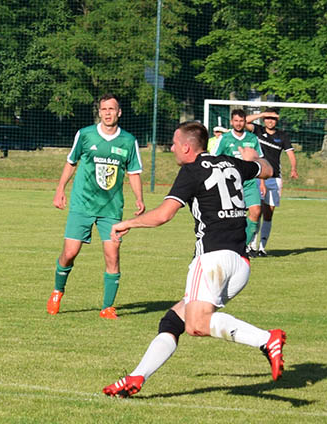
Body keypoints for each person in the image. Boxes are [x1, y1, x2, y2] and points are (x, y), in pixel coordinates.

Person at [103, 121, 285, 398]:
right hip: (240, 263)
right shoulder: (231, 162)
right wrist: (253, 159)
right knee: (173, 321)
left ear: (187, 147)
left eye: (175, 143)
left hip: (212, 260)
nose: (172, 148)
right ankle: (136, 377)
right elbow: (270, 168)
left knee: (197, 325)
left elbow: (164, 214)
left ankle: (266, 339)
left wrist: (127, 223)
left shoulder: (191, 171)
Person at [47, 93, 145, 319]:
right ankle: (57, 290)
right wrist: (60, 189)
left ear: (119, 112)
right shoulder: (85, 135)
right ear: (99, 112)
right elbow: (71, 163)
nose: (108, 113)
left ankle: (107, 307)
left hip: (111, 209)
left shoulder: (128, 141)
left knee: (113, 254)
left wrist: (139, 198)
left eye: (112, 109)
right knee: (70, 253)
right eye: (104, 109)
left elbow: (134, 172)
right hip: (82, 204)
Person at [245, 108, 298, 256]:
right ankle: (251, 246)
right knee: (256, 211)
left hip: (274, 179)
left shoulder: (282, 136)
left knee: (268, 214)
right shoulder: (258, 130)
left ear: (277, 121)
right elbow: (244, 122)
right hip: (257, 176)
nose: (270, 121)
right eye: (267, 118)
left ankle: (262, 248)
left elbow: (290, 153)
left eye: (273, 119)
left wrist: (294, 168)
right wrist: (262, 114)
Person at [210, 109, 264, 253]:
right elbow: (213, 158)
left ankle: (241, 246)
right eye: (236, 121)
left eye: (241, 121)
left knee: (256, 212)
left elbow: (260, 160)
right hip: (231, 185)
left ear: (245, 122)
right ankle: (227, 245)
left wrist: (263, 182)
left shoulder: (252, 139)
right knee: (233, 218)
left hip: (250, 183)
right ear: (231, 122)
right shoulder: (225, 138)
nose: (239, 124)